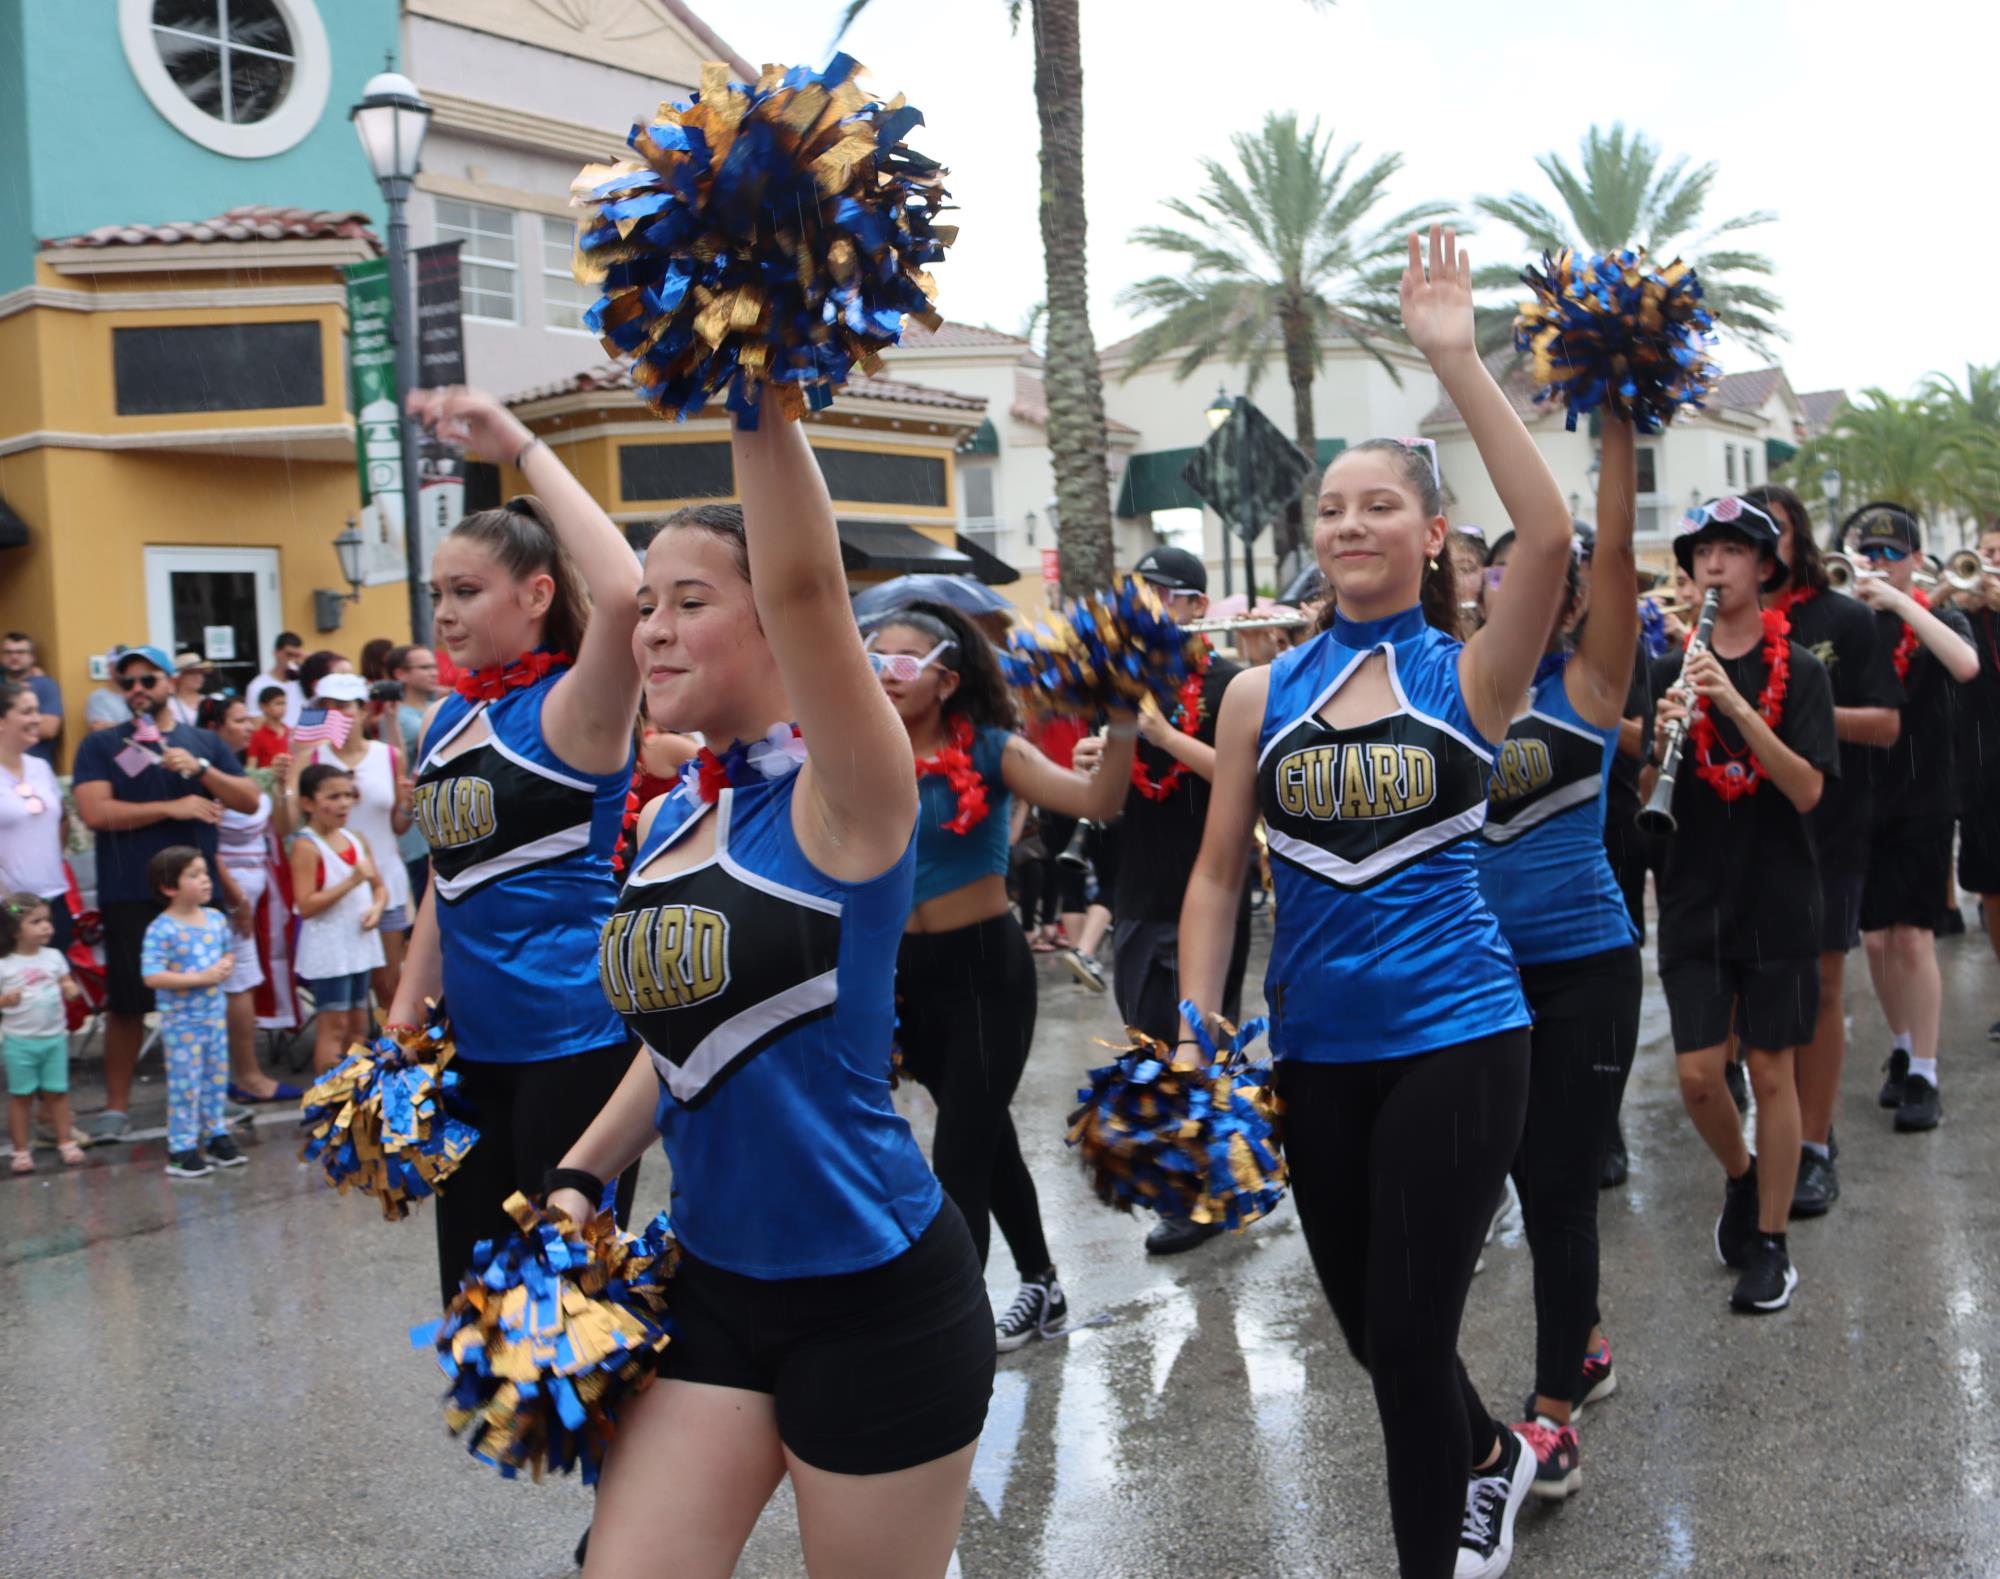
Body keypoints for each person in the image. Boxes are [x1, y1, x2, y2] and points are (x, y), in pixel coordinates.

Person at [545, 390, 990, 1579]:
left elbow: (807, 588)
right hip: (713, 1284)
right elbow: (686, 1040)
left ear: (777, 628)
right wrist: (582, 1175)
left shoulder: (847, 800)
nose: (652, 630)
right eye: (645, 605)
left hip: (876, 1295)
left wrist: (752, 380)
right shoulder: (673, 823)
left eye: (690, 601)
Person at [1179, 229, 1563, 1579]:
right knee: (1369, 1333)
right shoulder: (1253, 693)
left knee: (1405, 1336)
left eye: (1379, 504)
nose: (1350, 522)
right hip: (1314, 1048)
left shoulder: (1471, 672)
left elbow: (1559, 534)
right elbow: (1221, 871)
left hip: (1460, 1031)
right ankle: (1492, 1447)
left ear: (1430, 530)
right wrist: (1193, 1028)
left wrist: (1454, 358)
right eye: (1332, 505)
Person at [388, 387, 642, 1309]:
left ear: (536, 594)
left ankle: (648, 1460)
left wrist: (521, 444)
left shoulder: (577, 707)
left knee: (575, 1316)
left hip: (575, 1041)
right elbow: (442, 882)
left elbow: (623, 592)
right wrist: (403, 1021)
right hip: (474, 1051)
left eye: (466, 592)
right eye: (437, 594)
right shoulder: (450, 717)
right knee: (480, 1304)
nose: (444, 614)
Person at [870, 600, 1134, 1351]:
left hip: (986, 969)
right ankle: (1043, 1282)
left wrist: (1118, 717)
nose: (882, 675)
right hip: (905, 977)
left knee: (957, 1152)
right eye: (872, 658)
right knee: (985, 1140)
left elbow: (1098, 801)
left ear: (945, 679)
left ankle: (949, 1331)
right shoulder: (861, 748)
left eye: (899, 661)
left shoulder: (992, 748)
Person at [1474, 417, 1643, 1500]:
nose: (1510, 591)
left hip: (1583, 966)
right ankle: (1577, 1333)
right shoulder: (1450, 687)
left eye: (1528, 577)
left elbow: (1617, 553)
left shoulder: (1586, 688)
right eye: (1492, 578)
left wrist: (1617, 421)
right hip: (1475, 978)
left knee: (1556, 1190)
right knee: (1483, 1178)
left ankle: (1550, 1414)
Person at [1648, 495, 1837, 1315]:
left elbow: (1804, 787)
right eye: (1703, 553)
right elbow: (1657, 792)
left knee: (1770, 1067)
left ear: (1765, 568)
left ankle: (1772, 1244)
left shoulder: (1804, 670)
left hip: (1778, 893)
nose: (1714, 566)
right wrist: (1663, 741)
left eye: (1733, 551)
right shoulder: (1671, 669)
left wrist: (1731, 702)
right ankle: (1743, 1175)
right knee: (1697, 1074)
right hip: (1693, 892)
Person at [1745, 484, 1902, 1212]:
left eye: (1772, 530)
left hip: (1832, 826)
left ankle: (1814, 1141)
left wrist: (1798, 713)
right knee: (1762, 993)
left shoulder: (1844, 617)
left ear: (1797, 535)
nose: (1759, 545)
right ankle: (1781, 1126)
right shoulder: (1724, 624)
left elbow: (1885, 725)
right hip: (1747, 830)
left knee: (1824, 988)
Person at [1112, 541, 1255, 1257]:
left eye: (1160, 592)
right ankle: (1206, 1177)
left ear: (1196, 606)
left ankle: (1199, 1193)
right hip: (1137, 888)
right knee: (1148, 1037)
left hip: (1211, 890)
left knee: (1195, 1042)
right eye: (1137, 592)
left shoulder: (1229, 684)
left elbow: (1246, 774)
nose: (1145, 606)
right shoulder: (1124, 681)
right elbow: (1104, 798)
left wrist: (1166, 735)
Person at [71, 645, 259, 1143]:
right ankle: (116, 1108)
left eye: (147, 680)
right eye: (127, 682)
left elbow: (248, 799)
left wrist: (199, 769)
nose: (137, 690)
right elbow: (95, 813)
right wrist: (173, 806)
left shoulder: (202, 741)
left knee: (206, 997)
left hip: (200, 895)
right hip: (130, 889)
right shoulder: (101, 745)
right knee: (129, 1003)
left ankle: (211, 1101)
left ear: (170, 684)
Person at [1842, 504, 1979, 1132]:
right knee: (1875, 939)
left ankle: (1926, 1069)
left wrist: (1901, 604)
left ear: (1917, 561)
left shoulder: (1939, 615)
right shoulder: (1852, 623)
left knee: (1913, 936)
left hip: (1925, 795)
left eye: (1893, 554)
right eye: (1870, 553)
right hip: (1861, 798)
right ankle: (1900, 1046)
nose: (1880, 563)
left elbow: (1965, 664)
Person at [198, 694, 301, 1105]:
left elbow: (282, 828)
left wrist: (280, 787)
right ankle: (244, 1076)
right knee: (236, 982)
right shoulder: (210, 779)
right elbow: (208, 844)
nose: (248, 725)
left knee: (243, 981)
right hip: (230, 899)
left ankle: (234, 1074)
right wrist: (235, 896)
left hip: (254, 896)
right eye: (238, 720)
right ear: (214, 729)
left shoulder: (240, 773)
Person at [303, 671, 413, 1010]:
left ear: (364, 711)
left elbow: (397, 826)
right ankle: (352, 1060)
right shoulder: (313, 757)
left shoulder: (390, 755)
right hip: (334, 885)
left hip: (385, 881)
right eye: (327, 707)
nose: (335, 714)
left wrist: (408, 805)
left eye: (344, 706)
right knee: (346, 997)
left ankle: (389, 1059)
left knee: (388, 984)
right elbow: (293, 821)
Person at [139, 845, 244, 1179]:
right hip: (182, 1021)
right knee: (186, 1084)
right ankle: (181, 1147)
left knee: (215, 1079)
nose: (205, 880)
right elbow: (152, 975)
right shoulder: (162, 928)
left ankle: (215, 1135)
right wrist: (199, 977)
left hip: (214, 1016)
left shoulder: (214, 918)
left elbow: (228, 953)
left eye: (204, 872)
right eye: (193, 875)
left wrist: (225, 965)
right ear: (169, 887)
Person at [289, 763, 387, 1075]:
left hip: (358, 944)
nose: (344, 802)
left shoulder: (356, 838)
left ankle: (353, 1103)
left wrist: (377, 908)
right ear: (308, 803)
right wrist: (352, 881)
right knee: (334, 1026)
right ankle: (327, 1103)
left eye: (348, 794)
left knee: (359, 1023)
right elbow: (305, 905)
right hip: (329, 950)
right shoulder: (306, 846)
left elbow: (380, 888)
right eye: (334, 796)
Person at [1947, 524, 2000, 1039]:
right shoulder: (1962, 615)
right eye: (1983, 554)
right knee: (1991, 888)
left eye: (1997, 555)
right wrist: (1952, 593)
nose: (1987, 563)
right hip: (1981, 770)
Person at [3, 893, 85, 1172]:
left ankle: (65, 1140)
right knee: (21, 1096)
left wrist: (70, 988)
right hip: (19, 1041)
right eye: (36, 922)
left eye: (47, 921)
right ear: (14, 931)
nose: (47, 927)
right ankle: (21, 1150)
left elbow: (65, 979)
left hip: (54, 1038)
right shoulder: (5, 964)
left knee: (57, 1093)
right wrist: (4, 1001)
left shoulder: (53, 957)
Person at [0, 680, 71, 956]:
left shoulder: (40, 767)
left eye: (37, 711)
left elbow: (62, 819)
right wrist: (12, 905)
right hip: (9, 910)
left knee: (53, 990)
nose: (37, 719)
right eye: (27, 712)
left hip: (53, 900)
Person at [387, 644, 442, 902]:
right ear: (401, 674)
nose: (433, 672)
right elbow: (394, 770)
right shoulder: (395, 718)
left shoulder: (441, 707)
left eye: (433, 665)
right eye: (424, 667)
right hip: (414, 834)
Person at [1, 633, 62, 763]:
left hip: (34, 769)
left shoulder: (45, 685)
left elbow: (48, 728)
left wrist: (6, 725)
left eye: (21, 652)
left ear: (32, 657)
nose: (14, 656)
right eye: (8, 652)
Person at [251, 632, 306, 726]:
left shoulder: (303, 683)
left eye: (296, 655)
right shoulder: (258, 685)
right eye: (288, 655)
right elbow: (256, 724)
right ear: (276, 653)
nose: (292, 660)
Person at [246, 685, 292, 768]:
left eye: (284, 703)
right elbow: (251, 768)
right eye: (278, 704)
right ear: (264, 707)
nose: (283, 708)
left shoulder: (290, 732)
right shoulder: (257, 736)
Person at [167, 652, 210, 727]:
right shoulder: (168, 704)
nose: (198, 677)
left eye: (201, 673)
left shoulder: (209, 701)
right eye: (192, 673)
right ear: (179, 676)